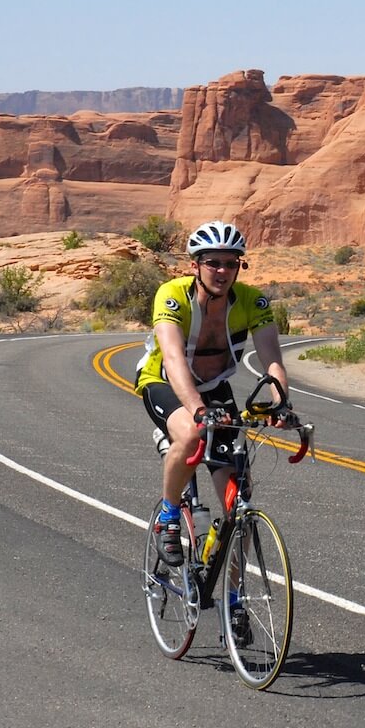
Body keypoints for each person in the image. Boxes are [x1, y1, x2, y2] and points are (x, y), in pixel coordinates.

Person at [133, 220, 293, 638]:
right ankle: (169, 516)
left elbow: (272, 361)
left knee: (238, 500)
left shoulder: (253, 303)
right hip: (165, 382)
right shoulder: (173, 296)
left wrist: (281, 405)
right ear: (195, 265)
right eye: (212, 263)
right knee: (189, 433)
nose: (222, 271)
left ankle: (234, 602)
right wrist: (199, 409)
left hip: (214, 389)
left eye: (230, 263)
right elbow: (172, 358)